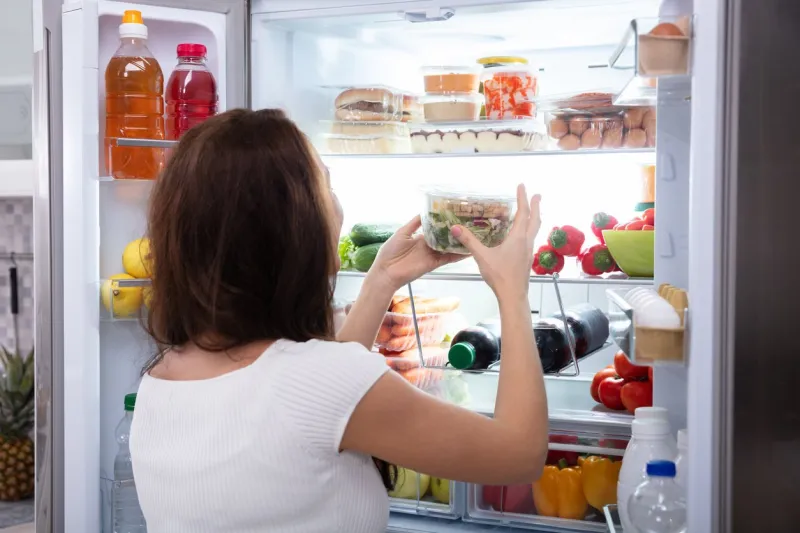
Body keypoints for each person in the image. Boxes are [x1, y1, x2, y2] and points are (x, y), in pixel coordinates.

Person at [130, 108, 548, 533]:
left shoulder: (161, 377)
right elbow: (520, 453)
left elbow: (314, 407)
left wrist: (382, 281)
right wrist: (512, 293)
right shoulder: (316, 380)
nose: (336, 204)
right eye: (325, 184)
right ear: (291, 225)